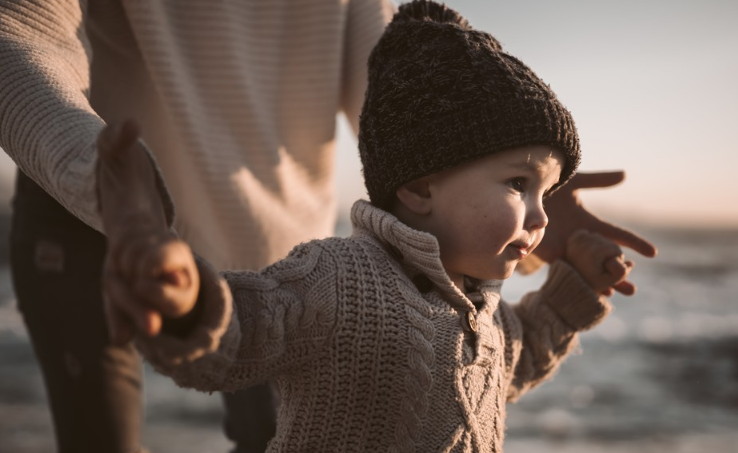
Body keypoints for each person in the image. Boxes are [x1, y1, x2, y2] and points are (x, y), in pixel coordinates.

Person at [97, 2, 647, 451]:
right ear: (419, 187)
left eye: (545, 192)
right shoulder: (338, 279)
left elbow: (517, 360)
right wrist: (190, 298)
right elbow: (244, 330)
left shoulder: (483, 309)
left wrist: (577, 285)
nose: (541, 215)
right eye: (517, 184)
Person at [0, 1, 396, 452]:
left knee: (286, 440)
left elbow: (391, 82)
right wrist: (107, 181)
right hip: (95, 202)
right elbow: (17, 26)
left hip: (278, 253)